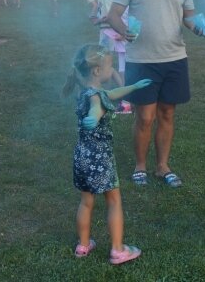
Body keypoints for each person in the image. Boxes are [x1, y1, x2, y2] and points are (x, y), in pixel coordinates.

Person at [107, 0, 205, 188]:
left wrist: (196, 26)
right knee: (144, 117)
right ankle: (140, 166)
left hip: (174, 57)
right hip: (141, 60)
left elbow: (189, 15)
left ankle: (162, 166)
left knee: (167, 114)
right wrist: (123, 31)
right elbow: (114, 14)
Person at [63, 44, 152, 265]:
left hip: (82, 156)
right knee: (114, 201)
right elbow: (97, 106)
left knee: (86, 202)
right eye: (110, 66)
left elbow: (110, 94)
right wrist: (94, 117)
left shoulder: (86, 91)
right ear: (96, 71)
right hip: (100, 159)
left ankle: (83, 245)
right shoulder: (96, 99)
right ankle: (118, 250)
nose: (111, 70)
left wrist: (132, 87)